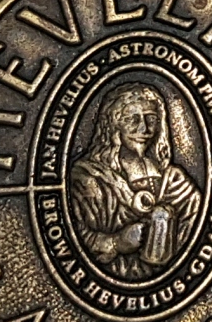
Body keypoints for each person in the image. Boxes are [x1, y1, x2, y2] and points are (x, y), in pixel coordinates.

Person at [67, 83, 204, 280]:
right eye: (132, 119)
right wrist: (115, 243)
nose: (144, 129)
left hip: (178, 281)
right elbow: (71, 237)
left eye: (151, 119)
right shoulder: (89, 179)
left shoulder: (175, 179)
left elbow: (199, 227)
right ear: (114, 124)